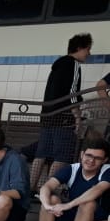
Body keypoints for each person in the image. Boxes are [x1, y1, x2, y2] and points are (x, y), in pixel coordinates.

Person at [27, 137, 110, 221]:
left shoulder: (107, 170)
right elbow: (47, 186)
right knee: (52, 198)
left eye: (97, 158)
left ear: (105, 160)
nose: (91, 160)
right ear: (82, 154)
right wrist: (47, 205)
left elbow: (96, 190)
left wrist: (67, 205)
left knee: (88, 203)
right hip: (71, 219)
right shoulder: (72, 169)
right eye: (88, 155)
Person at [31, 33, 92, 191]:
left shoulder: (58, 65)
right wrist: (77, 117)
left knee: (41, 154)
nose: (89, 54)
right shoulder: (73, 64)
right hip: (63, 117)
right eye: (87, 49)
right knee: (62, 154)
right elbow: (72, 93)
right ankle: (47, 190)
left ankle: (30, 190)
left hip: (47, 115)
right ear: (79, 48)